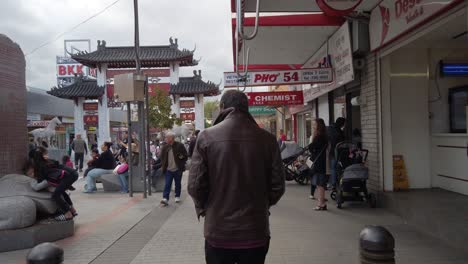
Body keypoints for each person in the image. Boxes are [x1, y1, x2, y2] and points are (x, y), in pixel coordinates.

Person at [188, 90, 285, 264]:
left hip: (218, 230)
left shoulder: (206, 137)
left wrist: (206, 208)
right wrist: (261, 204)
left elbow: (195, 186)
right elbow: (278, 186)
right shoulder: (268, 140)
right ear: (246, 108)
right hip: (255, 229)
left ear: (222, 107)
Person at [31, 146, 78, 221]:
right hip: (72, 173)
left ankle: (68, 214)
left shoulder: (42, 165)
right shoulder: (48, 162)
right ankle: (73, 210)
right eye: (45, 154)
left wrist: (34, 180)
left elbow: (41, 181)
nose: (46, 155)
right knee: (61, 192)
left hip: (69, 175)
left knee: (56, 195)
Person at [159, 131, 188, 206]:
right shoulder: (165, 147)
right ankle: (165, 198)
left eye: (167, 137)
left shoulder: (179, 145)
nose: (166, 139)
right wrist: (163, 165)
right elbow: (161, 157)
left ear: (171, 138)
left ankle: (177, 196)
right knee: (167, 184)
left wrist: (180, 157)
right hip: (168, 169)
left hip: (177, 169)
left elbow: (185, 156)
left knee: (177, 184)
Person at [309, 118, 329, 211]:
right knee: (320, 184)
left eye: (314, 124)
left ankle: (321, 204)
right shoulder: (324, 136)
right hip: (322, 162)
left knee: (319, 184)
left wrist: (313, 137)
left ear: (318, 126)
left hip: (319, 162)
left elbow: (311, 147)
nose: (313, 126)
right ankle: (321, 203)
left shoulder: (319, 136)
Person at [328, 117, 346, 190]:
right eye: (344, 123)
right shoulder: (338, 131)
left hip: (332, 152)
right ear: (341, 123)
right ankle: (336, 183)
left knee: (333, 168)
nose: (344, 125)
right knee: (337, 168)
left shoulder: (330, 128)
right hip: (338, 152)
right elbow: (342, 141)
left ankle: (333, 184)